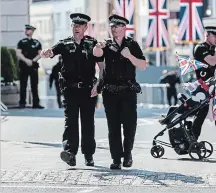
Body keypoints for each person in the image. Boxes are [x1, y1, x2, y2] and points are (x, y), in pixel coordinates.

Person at [40, 13, 104, 167]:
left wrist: (99, 85)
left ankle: (88, 155)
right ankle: (70, 153)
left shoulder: (92, 43)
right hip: (70, 89)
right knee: (71, 122)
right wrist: (47, 52)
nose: (76, 28)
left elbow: (102, 67)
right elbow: (52, 51)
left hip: (89, 89)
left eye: (79, 26)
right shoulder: (65, 43)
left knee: (88, 122)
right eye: (74, 25)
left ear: (85, 27)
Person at [93, 14, 147, 170]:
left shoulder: (132, 45)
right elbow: (96, 55)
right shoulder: (106, 45)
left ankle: (127, 153)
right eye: (112, 27)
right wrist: (97, 47)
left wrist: (129, 56)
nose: (113, 29)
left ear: (124, 28)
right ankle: (116, 158)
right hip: (110, 92)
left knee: (129, 125)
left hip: (128, 91)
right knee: (113, 127)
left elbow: (143, 65)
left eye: (116, 27)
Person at [192, 26, 216, 148]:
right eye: (215, 35)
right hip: (203, 84)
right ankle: (192, 137)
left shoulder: (214, 49)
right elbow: (212, 62)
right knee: (201, 113)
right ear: (207, 35)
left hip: (215, 83)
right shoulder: (200, 48)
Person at [16, 24, 44, 109]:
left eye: (28, 29)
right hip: (24, 65)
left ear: (32, 31)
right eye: (26, 29)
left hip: (33, 66)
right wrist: (26, 60)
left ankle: (36, 103)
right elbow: (18, 53)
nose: (26, 31)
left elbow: (40, 54)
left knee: (34, 85)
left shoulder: (36, 42)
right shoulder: (21, 42)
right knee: (23, 85)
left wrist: (33, 60)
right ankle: (22, 103)